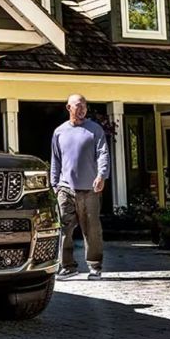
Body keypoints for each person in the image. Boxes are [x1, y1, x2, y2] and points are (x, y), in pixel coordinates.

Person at [51, 94, 110, 280]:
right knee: (64, 229)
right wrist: (54, 185)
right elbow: (56, 160)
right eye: (78, 105)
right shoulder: (59, 132)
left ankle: (95, 266)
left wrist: (102, 175)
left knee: (92, 229)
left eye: (84, 105)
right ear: (69, 108)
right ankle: (67, 266)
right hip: (65, 189)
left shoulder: (95, 130)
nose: (82, 108)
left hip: (89, 190)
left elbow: (103, 154)